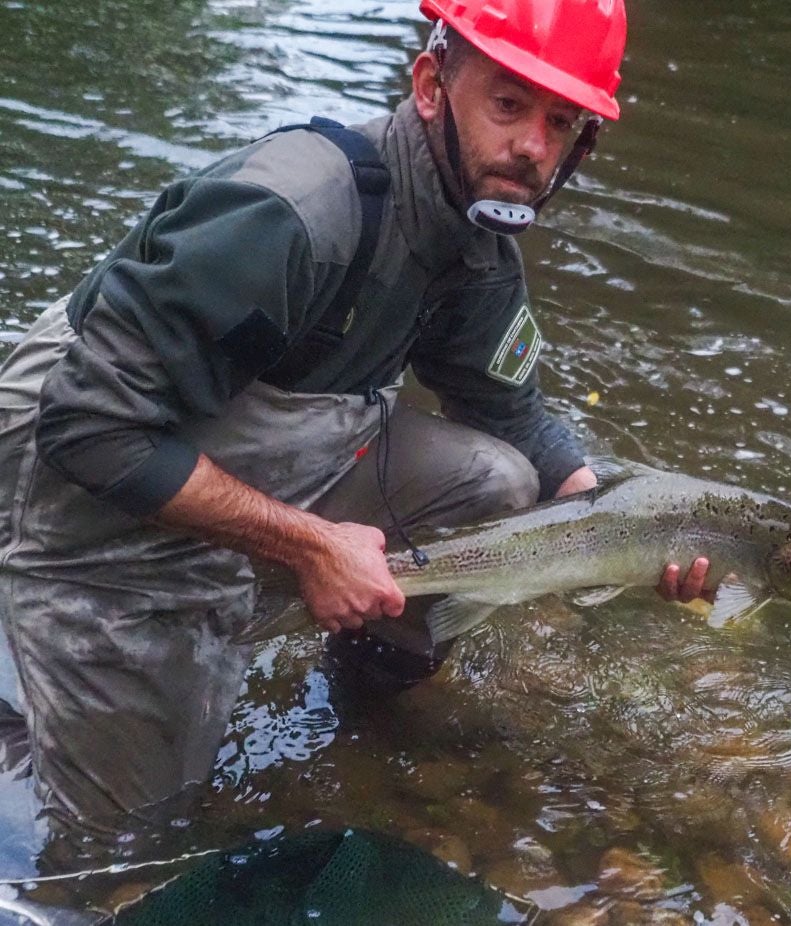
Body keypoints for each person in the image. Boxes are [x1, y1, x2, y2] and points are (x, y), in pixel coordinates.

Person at [0, 0, 712, 851]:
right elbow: (89, 425)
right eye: (508, 105)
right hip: (67, 476)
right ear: (429, 86)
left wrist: (620, 530)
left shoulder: (478, 240)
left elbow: (509, 411)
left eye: (561, 123)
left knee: (494, 481)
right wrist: (308, 545)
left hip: (210, 447)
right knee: (125, 844)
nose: (531, 148)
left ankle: (369, 699)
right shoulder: (289, 211)